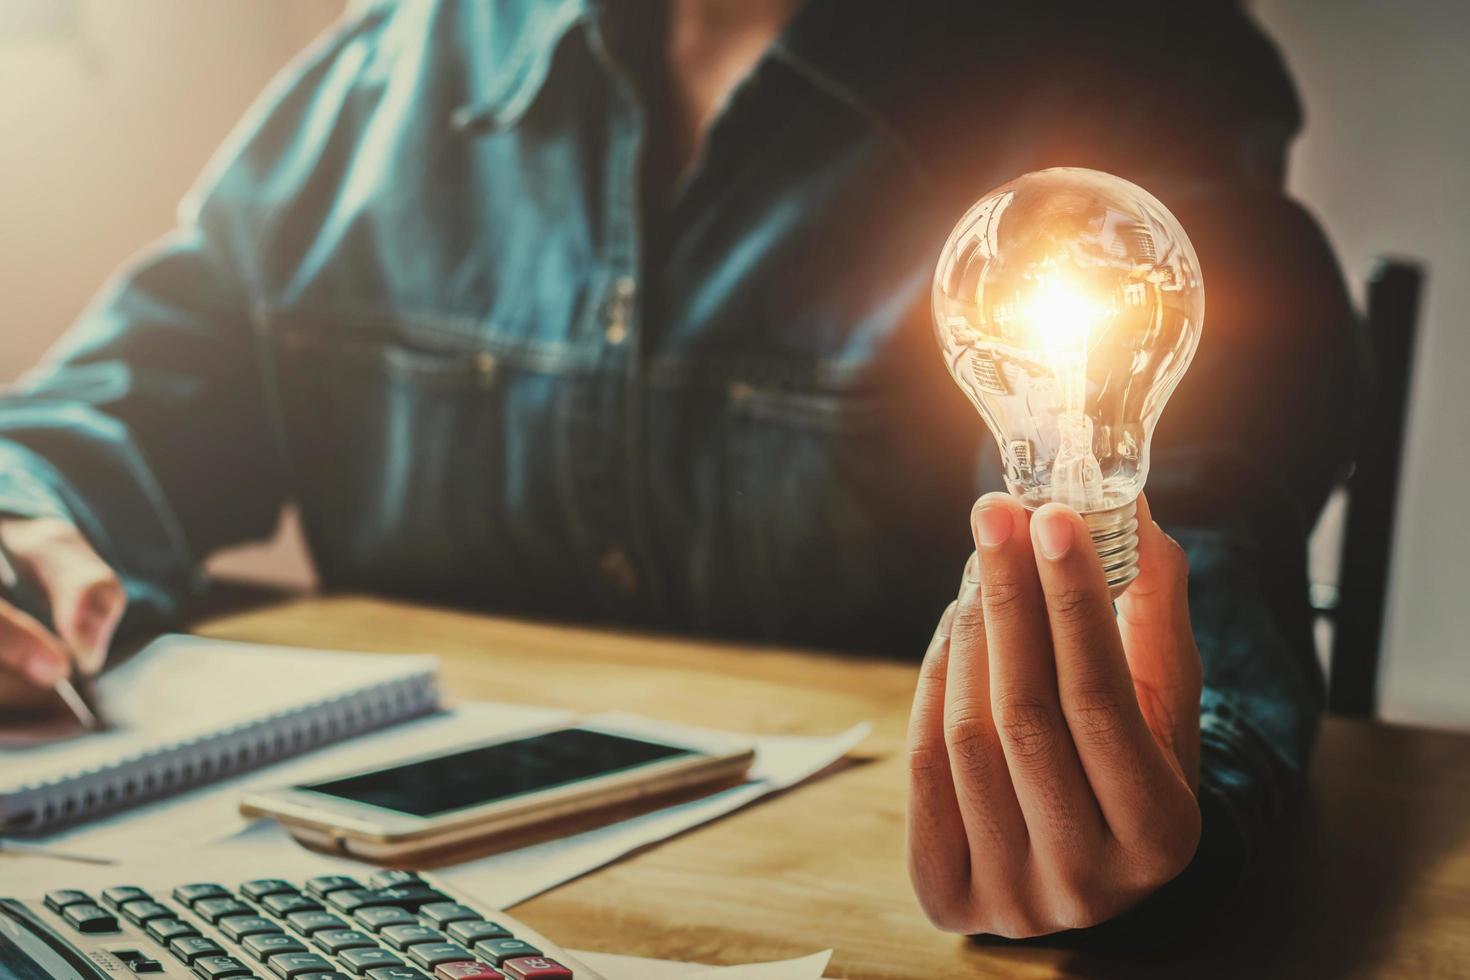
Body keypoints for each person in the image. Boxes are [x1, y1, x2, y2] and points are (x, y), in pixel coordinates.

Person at [0, 0, 1358, 942]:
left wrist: (1160, 806)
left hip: (866, 924)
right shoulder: (384, 81)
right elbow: (102, 415)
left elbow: (1209, 514)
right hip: (398, 911)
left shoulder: (1120, 91)